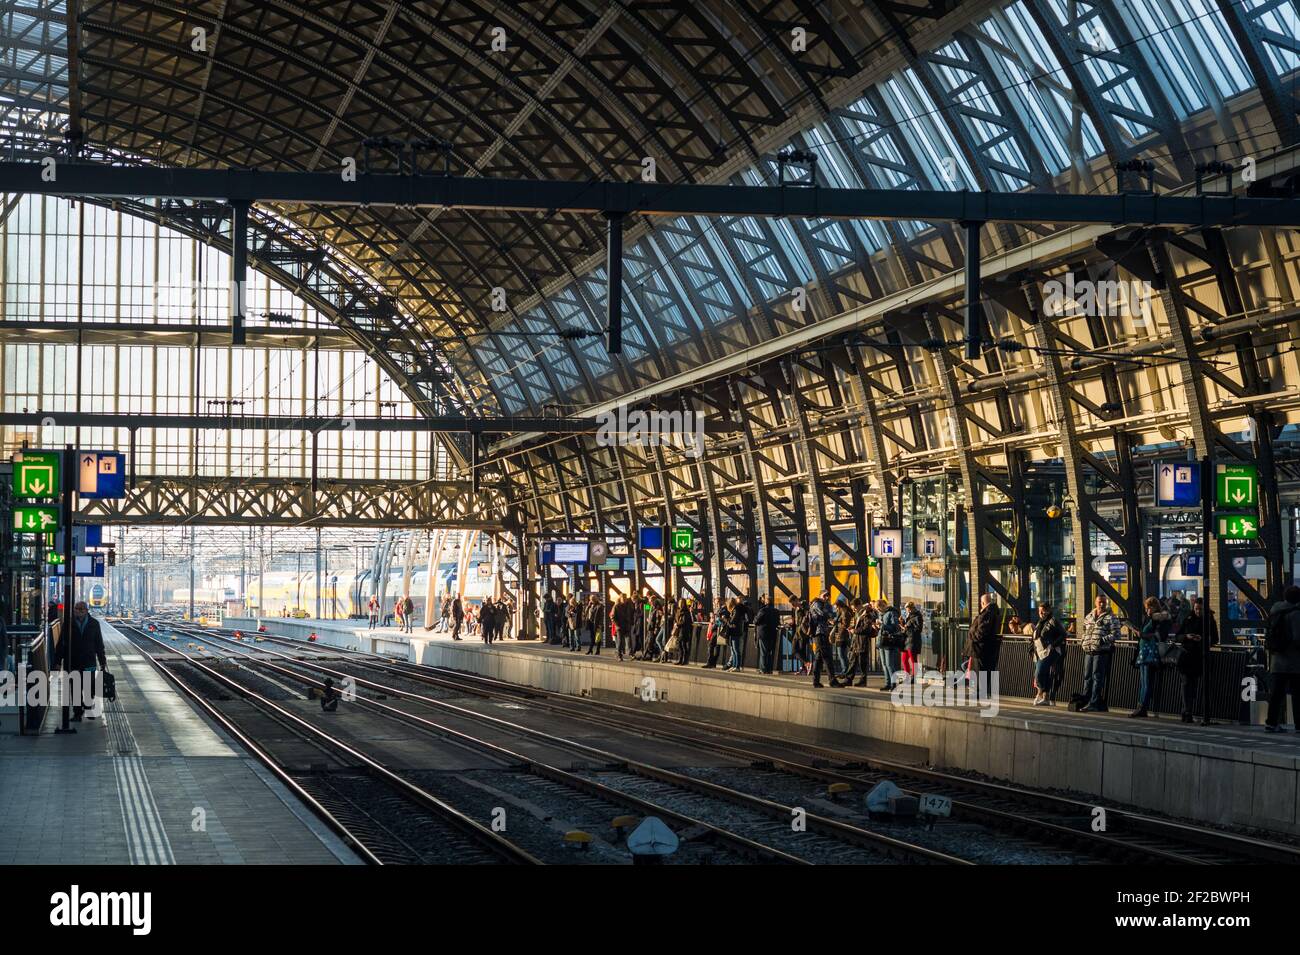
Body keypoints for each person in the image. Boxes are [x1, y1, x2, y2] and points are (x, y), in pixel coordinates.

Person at [51, 601, 107, 722]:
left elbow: (99, 644)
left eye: (82, 609)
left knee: (89, 686)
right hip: (73, 660)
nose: (79, 611)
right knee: (75, 688)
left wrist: (102, 661)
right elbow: (61, 644)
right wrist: (57, 661)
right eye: (77, 609)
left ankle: (88, 708)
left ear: (87, 610)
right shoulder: (68, 624)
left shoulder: (94, 624)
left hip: (89, 661)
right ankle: (77, 713)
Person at [1265, 586, 1300, 732]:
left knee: (1276, 695)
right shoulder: (1296, 613)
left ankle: (1271, 723)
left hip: (1276, 661)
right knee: (1297, 694)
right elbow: (1298, 638)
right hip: (1293, 661)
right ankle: (1299, 724)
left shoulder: (1274, 611)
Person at [1130, 597, 1171, 718]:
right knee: (1143, 681)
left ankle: (1143, 707)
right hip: (1144, 652)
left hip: (1150, 653)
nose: (1147, 610)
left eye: (1149, 607)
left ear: (1154, 607)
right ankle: (1140, 705)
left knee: (1147, 681)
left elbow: (1158, 635)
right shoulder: (1148, 619)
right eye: (1146, 608)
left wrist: (1142, 634)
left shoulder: (1157, 619)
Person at [1174, 596, 1214, 722]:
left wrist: (1202, 639)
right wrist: (1187, 636)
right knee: (1186, 684)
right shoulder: (1188, 618)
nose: (1198, 611)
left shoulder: (1209, 621)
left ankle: (1191, 711)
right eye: (1196, 609)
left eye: (1200, 609)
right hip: (1187, 656)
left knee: (1194, 685)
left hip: (1199, 656)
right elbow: (1177, 636)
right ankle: (1187, 711)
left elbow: (1215, 638)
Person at [1079, 594, 1120, 712]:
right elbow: (1084, 631)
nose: (1101, 604)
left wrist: (1102, 641)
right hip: (1088, 651)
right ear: (1095, 603)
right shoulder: (1089, 617)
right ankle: (1085, 700)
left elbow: (1116, 634)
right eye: (1099, 602)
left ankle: (1094, 702)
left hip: (1101, 651)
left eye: (1103, 602)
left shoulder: (1111, 617)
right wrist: (1084, 642)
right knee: (1087, 677)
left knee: (1097, 677)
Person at [965, 593, 1000, 697]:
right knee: (983, 670)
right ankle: (981, 692)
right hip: (985, 647)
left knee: (981, 670)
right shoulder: (992, 612)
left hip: (981, 647)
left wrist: (973, 638)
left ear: (983, 603)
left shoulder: (987, 613)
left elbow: (982, 631)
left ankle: (980, 692)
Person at [808, 592, 843, 688]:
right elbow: (824, 613)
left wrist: (829, 613)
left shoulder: (824, 604)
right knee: (827, 656)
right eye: (824, 595)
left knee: (819, 658)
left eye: (828, 596)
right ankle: (832, 680)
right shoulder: (817, 603)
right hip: (819, 633)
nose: (827, 597)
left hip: (822, 633)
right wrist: (829, 613)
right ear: (820, 595)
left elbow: (829, 614)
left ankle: (816, 681)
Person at [840, 598, 872, 687]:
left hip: (862, 641)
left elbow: (867, 628)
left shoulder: (866, 614)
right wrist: (852, 628)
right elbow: (858, 625)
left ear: (859, 605)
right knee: (852, 661)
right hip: (855, 641)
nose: (853, 609)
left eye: (854, 607)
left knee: (862, 662)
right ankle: (848, 679)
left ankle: (863, 680)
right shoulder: (857, 614)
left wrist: (855, 630)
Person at [875, 598, 902, 691]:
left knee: (889, 664)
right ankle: (887, 683)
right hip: (881, 640)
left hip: (889, 641)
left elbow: (895, 627)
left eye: (879, 608)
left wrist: (882, 625)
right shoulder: (880, 614)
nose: (878, 610)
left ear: (884, 605)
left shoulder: (891, 613)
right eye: (877, 609)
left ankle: (894, 684)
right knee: (884, 664)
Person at [754, 595, 778, 674]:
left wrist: (755, 618)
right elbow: (777, 622)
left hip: (763, 633)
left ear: (766, 602)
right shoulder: (776, 611)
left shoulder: (763, 610)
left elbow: (756, 621)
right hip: (772, 633)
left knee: (763, 652)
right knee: (770, 652)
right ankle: (769, 669)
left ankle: (763, 669)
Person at [900, 602, 923, 681]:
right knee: (904, 659)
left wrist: (907, 628)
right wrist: (902, 623)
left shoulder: (917, 616)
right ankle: (907, 676)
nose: (906, 610)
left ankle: (914, 677)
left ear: (911, 608)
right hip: (907, 640)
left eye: (907, 608)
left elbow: (918, 629)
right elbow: (907, 626)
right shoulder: (909, 615)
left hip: (913, 640)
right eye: (906, 609)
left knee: (913, 660)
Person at [704, 597, 726, 668]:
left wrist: (715, 622)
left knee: (711, 646)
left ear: (721, 602)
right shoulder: (720, 610)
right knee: (716, 647)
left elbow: (720, 621)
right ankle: (713, 663)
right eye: (716, 603)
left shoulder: (722, 610)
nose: (716, 604)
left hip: (717, 630)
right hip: (717, 630)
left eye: (717, 603)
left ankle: (710, 662)